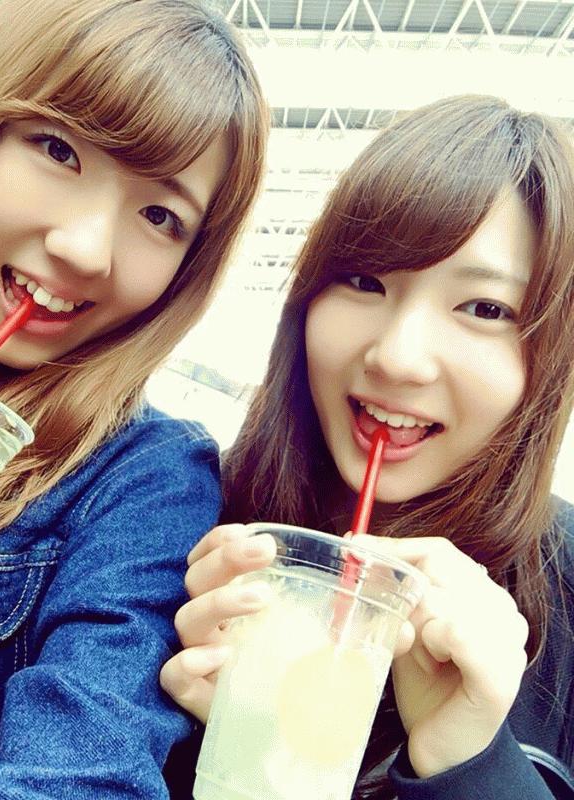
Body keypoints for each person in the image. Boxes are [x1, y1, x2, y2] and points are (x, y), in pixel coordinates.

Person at [160, 95, 574, 799]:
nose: (397, 357)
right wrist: (203, 744)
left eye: (483, 309)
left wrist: (470, 763)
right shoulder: (176, 518)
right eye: (364, 281)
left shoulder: (566, 587)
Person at [0, 1, 268, 797]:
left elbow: (85, 771)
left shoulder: (145, 481)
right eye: (58, 149)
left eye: (159, 215)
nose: (85, 249)